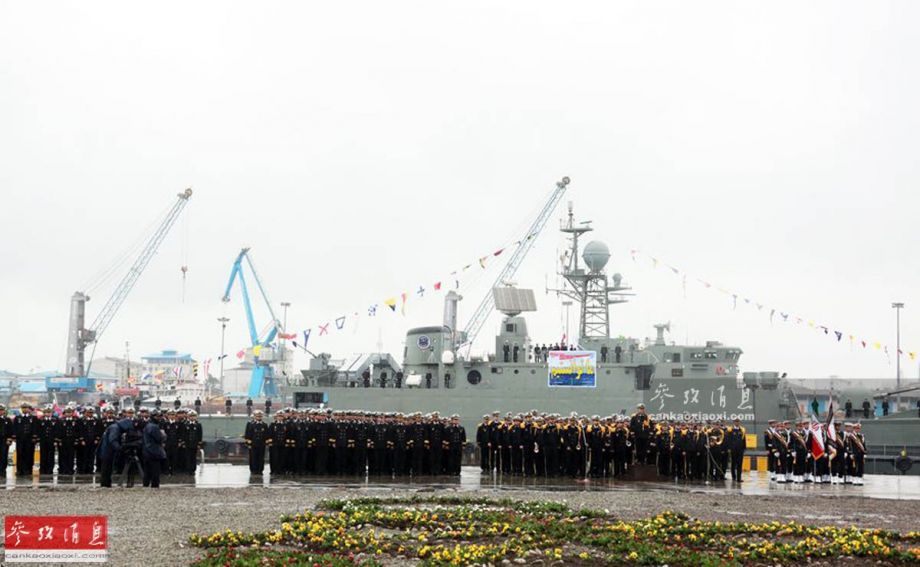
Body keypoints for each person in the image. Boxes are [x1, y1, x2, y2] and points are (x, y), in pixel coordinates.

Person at [142, 410, 167, 488]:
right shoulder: (154, 427)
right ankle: (154, 486)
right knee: (155, 471)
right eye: (158, 416)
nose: (159, 418)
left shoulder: (148, 425)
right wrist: (163, 434)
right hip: (154, 451)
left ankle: (145, 485)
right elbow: (159, 438)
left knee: (147, 471)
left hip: (147, 451)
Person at [0, 404, 12, 477]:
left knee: (4, 455)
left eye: (1, 410)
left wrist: (9, 439)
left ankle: (2, 470)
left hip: (4, 440)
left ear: (4, 411)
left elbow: (10, 430)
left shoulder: (7, 420)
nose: (0, 411)